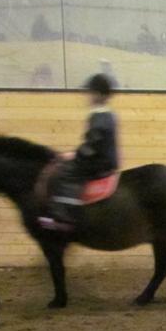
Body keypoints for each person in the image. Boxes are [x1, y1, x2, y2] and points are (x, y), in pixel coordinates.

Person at [39, 73, 119, 231]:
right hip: (103, 158)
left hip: (99, 160)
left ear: (97, 94)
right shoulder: (106, 114)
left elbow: (93, 144)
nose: (87, 96)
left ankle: (65, 216)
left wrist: (74, 155)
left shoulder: (100, 116)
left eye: (90, 92)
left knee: (66, 172)